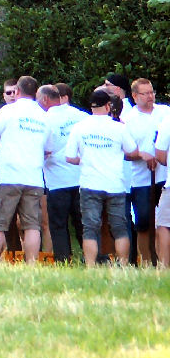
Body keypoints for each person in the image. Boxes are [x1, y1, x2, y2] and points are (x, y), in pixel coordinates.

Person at [65, 89, 143, 266]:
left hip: (90, 183)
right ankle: (123, 264)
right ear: (108, 106)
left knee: (90, 227)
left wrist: (84, 160)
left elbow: (69, 157)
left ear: (91, 106)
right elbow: (132, 151)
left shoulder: (80, 127)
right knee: (119, 227)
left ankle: (91, 266)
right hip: (115, 184)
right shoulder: (119, 127)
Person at [0, 75, 49, 262]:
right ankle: (32, 264)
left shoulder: (8, 111)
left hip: (8, 176)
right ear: (35, 92)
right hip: (34, 177)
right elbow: (48, 148)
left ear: (17, 91)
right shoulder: (43, 116)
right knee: (32, 225)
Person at [38, 83, 88, 262]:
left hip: (57, 180)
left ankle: (63, 260)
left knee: (58, 224)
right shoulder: (81, 116)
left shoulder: (44, 119)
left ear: (46, 99)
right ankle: (91, 258)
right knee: (83, 224)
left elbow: (44, 148)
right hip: (81, 178)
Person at [121, 78, 168, 264]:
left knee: (164, 222)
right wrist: (142, 155)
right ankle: (147, 261)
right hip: (141, 180)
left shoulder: (165, 112)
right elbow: (125, 152)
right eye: (145, 93)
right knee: (143, 223)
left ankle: (163, 260)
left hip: (164, 176)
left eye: (151, 92)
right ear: (134, 96)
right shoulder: (128, 120)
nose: (150, 96)